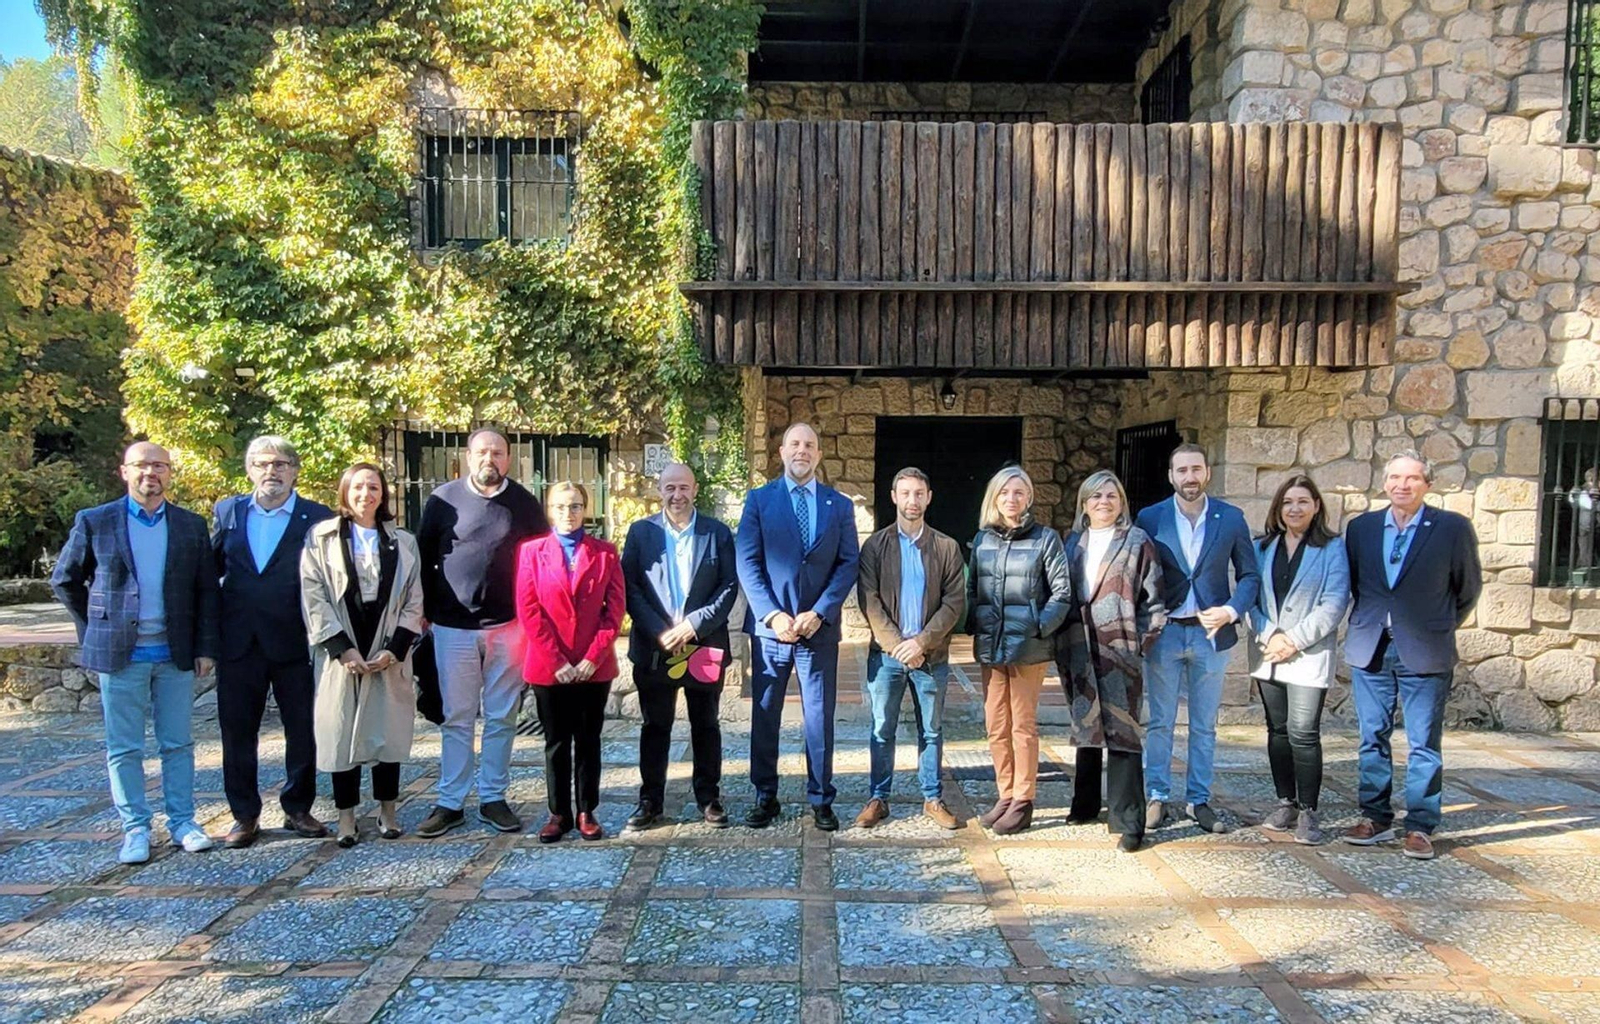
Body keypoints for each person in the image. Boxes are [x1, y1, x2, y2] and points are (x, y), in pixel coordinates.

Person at [50, 441, 221, 864]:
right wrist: (95, 629)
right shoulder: (96, 521)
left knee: (178, 743)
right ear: (124, 471)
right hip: (120, 656)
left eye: (160, 466)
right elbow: (65, 579)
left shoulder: (190, 525)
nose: (152, 474)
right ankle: (135, 829)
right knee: (124, 748)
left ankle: (183, 822)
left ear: (170, 473)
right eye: (142, 466)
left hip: (174, 654)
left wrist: (205, 647)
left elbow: (205, 591)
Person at [1342, 451, 1481, 860]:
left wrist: (1435, 625)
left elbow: (1467, 588)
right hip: (1372, 648)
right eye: (1394, 478)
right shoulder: (1362, 528)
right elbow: (1355, 583)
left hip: (1425, 650)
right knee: (1371, 737)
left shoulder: (1452, 528)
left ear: (1427, 485)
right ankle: (1375, 817)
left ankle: (1420, 825)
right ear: (1384, 483)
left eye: (1412, 479)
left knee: (1423, 743)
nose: (1402, 485)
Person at [415, 427, 548, 838]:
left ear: (509, 459)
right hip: (452, 626)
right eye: (482, 452)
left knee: (501, 715)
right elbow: (422, 556)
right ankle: (450, 802)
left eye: (498, 452)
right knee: (456, 717)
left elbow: (540, 561)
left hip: (509, 627)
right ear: (468, 457)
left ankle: (493, 798)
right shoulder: (443, 501)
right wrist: (422, 611)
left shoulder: (524, 504)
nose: (490, 459)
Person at [736, 422, 861, 832]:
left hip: (817, 630)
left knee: (818, 717)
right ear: (782, 452)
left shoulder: (838, 505)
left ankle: (821, 798)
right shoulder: (759, 501)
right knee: (766, 713)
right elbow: (748, 563)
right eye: (794, 444)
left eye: (810, 444)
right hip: (772, 630)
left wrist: (821, 611)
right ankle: (765, 795)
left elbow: (847, 564)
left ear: (819, 454)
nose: (802, 451)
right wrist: (772, 614)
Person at [212, 436, 334, 847]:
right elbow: (212, 572)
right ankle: (244, 815)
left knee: (302, 729)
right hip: (239, 642)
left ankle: (298, 808)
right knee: (237, 732)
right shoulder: (227, 511)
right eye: (262, 463)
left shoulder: (316, 517)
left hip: (295, 640)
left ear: (295, 471)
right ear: (249, 470)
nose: (272, 471)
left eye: (281, 464)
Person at [1135, 443, 1260, 834]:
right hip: (1166, 633)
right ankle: (1156, 795)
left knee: (1205, 725)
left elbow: (1250, 576)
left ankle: (1198, 800)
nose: (1189, 477)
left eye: (1196, 469)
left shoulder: (1231, 518)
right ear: (1171, 476)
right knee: (1160, 722)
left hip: (1211, 635)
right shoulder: (1150, 518)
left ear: (1207, 473)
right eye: (1182, 470)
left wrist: (1232, 610)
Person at [300, 464, 424, 847]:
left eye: (373, 486)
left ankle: (388, 811)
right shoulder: (320, 538)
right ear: (345, 492)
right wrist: (341, 649)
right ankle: (347, 818)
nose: (365, 494)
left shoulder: (403, 541)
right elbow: (314, 595)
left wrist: (395, 649)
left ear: (382, 494)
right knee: (342, 734)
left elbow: (414, 598)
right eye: (357, 486)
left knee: (388, 733)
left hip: (388, 649)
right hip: (343, 649)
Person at [621, 464, 739, 831]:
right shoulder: (641, 533)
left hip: (703, 645)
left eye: (684, 487)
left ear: (696, 489)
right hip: (656, 648)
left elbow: (729, 587)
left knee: (706, 724)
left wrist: (693, 624)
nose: (677, 495)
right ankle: (650, 800)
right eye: (670, 487)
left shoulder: (716, 533)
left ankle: (709, 797)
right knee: (655, 725)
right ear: (659, 489)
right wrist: (660, 630)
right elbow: (630, 588)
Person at [1057, 470, 1165, 852]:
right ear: (1083, 504)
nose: (1103, 502)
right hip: (1078, 646)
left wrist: (1140, 643)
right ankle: (1084, 804)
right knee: (1086, 725)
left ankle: (1129, 820)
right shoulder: (1073, 543)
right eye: (1095, 496)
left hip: (1120, 649)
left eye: (1111, 496)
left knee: (1123, 732)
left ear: (1121, 502)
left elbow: (1153, 602)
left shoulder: (1137, 542)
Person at [854, 467, 966, 830]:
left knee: (931, 730)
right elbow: (868, 600)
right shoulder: (875, 546)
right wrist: (899, 645)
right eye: (905, 493)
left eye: (919, 493)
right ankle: (878, 798)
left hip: (930, 657)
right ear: (893, 497)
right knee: (881, 728)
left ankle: (933, 798)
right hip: (887, 656)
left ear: (929, 497)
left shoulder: (947, 547)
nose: (912, 501)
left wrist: (921, 642)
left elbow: (954, 602)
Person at [516, 482, 625, 842]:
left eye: (576, 506)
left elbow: (615, 612)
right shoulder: (532, 553)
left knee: (589, 740)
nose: (569, 513)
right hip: (550, 667)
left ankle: (586, 810)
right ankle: (558, 812)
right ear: (550, 510)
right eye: (560, 507)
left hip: (594, 668)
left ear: (586, 509)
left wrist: (593, 657)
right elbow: (529, 611)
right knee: (557, 742)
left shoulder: (606, 553)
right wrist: (557, 659)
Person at [1247, 474, 1350, 846]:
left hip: (1307, 653)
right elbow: (1250, 596)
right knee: (1277, 731)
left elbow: (1335, 602)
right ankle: (1285, 802)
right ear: (1279, 507)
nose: (1295, 508)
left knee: (1303, 732)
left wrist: (1292, 640)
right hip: (1268, 652)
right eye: (1288, 502)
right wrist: (1268, 634)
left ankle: (1309, 811)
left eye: (1303, 501)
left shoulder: (1333, 548)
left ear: (1316, 506)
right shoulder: (1262, 548)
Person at [968, 466, 1072, 836]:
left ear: (1029, 497)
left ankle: (1024, 799)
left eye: (1019, 492)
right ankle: (1005, 794)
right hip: (991, 646)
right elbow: (972, 590)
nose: (1012, 499)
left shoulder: (1046, 539)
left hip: (1028, 648)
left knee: (1022, 725)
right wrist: (972, 626)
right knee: (996, 725)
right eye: (1005, 493)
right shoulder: (982, 541)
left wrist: (1038, 627)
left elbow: (1062, 593)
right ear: (994, 498)